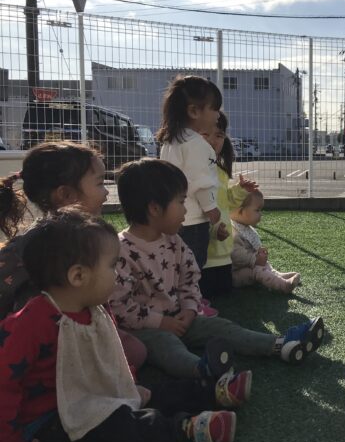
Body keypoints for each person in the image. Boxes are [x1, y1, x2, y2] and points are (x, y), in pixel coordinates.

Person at [0, 209, 251, 442]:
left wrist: (128, 384)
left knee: (153, 392)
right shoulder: (33, 322)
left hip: (95, 392)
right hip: (52, 415)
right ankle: (188, 429)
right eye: (112, 266)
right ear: (78, 276)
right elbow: (4, 381)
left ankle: (213, 392)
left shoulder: (96, 307)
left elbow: (112, 352)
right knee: (119, 425)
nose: (119, 274)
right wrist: (6, 441)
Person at [110, 158, 325, 376]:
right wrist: (160, 322)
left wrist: (189, 309)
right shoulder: (121, 250)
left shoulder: (173, 241)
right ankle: (205, 374)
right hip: (145, 329)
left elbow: (189, 278)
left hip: (181, 319)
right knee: (166, 344)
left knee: (222, 327)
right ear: (155, 208)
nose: (185, 210)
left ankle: (280, 345)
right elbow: (119, 306)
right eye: (181, 202)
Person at [0, 142, 147, 370]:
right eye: (100, 183)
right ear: (66, 194)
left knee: (135, 349)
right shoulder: (62, 248)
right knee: (134, 351)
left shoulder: (57, 236)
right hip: (50, 344)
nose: (106, 192)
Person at [156, 75, 221, 314]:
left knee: (174, 264)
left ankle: (175, 301)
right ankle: (192, 304)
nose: (218, 115)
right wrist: (212, 209)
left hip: (172, 216)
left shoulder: (171, 140)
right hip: (193, 218)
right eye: (215, 109)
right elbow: (201, 182)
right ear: (194, 111)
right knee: (193, 264)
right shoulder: (197, 145)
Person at [200, 111, 258, 300]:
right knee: (209, 294)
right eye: (205, 134)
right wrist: (213, 230)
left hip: (224, 251)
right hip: (204, 253)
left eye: (219, 135)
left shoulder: (220, 171)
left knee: (225, 291)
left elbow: (226, 203)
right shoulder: (193, 171)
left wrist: (241, 190)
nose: (212, 141)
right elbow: (196, 209)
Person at [230, 190, 301, 293]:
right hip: (236, 274)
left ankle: (277, 275)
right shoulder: (233, 231)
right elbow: (236, 255)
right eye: (257, 210)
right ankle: (283, 285)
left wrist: (259, 255)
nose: (260, 214)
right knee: (257, 269)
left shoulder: (245, 228)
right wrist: (255, 258)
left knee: (262, 266)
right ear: (241, 211)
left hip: (248, 267)